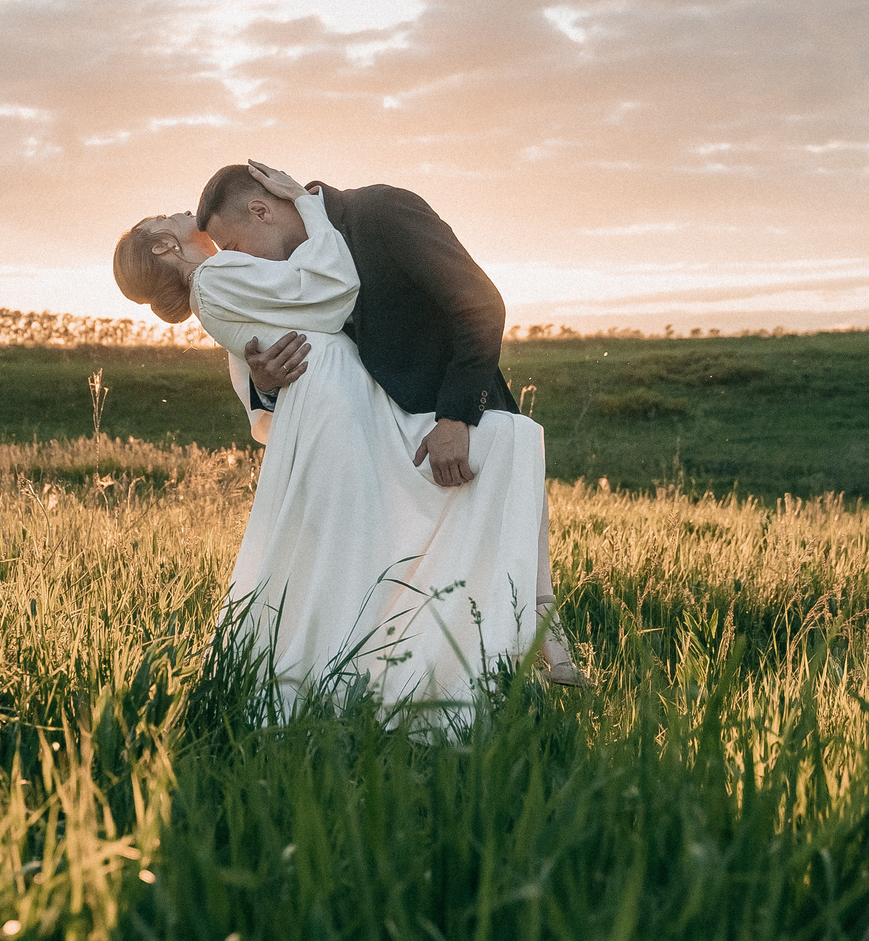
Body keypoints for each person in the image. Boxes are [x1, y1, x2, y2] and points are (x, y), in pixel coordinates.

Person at [112, 163, 584, 717]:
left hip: (439, 404)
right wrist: (263, 377)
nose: (240, 258)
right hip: (355, 423)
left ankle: (528, 621)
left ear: (262, 209)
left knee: (508, 440)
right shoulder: (264, 266)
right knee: (353, 554)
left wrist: (457, 416)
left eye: (238, 243)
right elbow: (264, 346)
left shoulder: (381, 211)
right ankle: (373, 674)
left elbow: (480, 303)